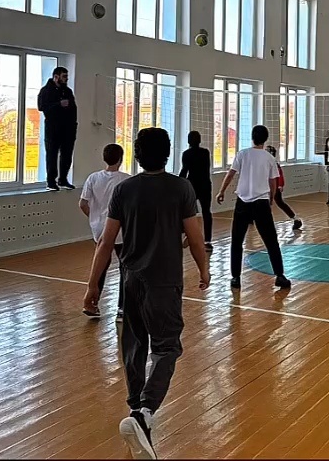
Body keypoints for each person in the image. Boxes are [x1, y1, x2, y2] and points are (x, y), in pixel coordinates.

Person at [83, 127, 210, 461]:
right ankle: (144, 412)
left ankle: (136, 410)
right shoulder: (181, 188)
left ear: (137, 155)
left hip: (131, 281)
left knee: (134, 346)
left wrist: (92, 285)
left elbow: (106, 242)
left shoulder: (124, 189)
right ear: (167, 153)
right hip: (164, 282)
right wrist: (204, 269)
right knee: (167, 348)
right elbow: (195, 237)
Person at [216, 125, 291, 290]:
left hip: (242, 201)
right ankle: (280, 276)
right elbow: (273, 182)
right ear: (266, 139)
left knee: (237, 241)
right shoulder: (269, 158)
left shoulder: (242, 154)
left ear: (252, 137)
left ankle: (235, 278)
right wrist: (271, 198)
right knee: (271, 241)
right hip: (261, 202)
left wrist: (221, 191)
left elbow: (231, 173)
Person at [80, 143, 131, 322]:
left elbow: (83, 204)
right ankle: (123, 309)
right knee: (125, 267)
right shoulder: (126, 180)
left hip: (98, 228)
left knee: (100, 265)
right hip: (121, 230)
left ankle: (92, 304)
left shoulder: (93, 178)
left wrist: (94, 219)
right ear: (121, 159)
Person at [38, 66, 77, 191]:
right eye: (64, 76)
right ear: (56, 77)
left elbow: (73, 108)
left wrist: (74, 126)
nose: (66, 79)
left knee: (67, 155)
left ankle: (63, 179)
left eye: (67, 76)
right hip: (53, 128)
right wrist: (59, 105)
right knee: (52, 154)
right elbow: (42, 107)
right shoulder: (46, 91)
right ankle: (51, 182)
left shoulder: (68, 91)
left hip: (68, 129)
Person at [179, 131, 213, 251]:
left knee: (187, 212)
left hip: (192, 185)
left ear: (188, 141)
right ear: (200, 140)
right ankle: (207, 241)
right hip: (205, 185)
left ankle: (187, 233)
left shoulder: (186, 154)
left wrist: (178, 182)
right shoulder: (205, 152)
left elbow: (184, 171)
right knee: (206, 212)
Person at [266, 145, 304, 230]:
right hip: (267, 186)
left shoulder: (274, 163)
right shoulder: (266, 162)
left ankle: (296, 219)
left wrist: (280, 185)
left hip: (274, 186)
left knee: (279, 203)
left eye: (267, 151)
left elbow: (280, 174)